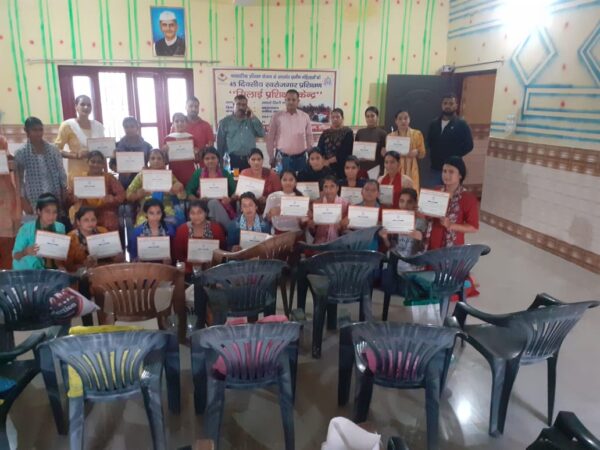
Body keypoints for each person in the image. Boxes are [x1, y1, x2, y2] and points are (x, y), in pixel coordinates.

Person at [14, 117, 68, 221]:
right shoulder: (21, 153)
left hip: (54, 194)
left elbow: (62, 173)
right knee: (38, 225)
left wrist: (63, 194)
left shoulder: (53, 150)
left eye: (40, 130)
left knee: (54, 223)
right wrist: (23, 201)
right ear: (26, 131)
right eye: (34, 130)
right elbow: (19, 180)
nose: (38, 133)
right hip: (34, 197)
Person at [379, 187, 429, 294]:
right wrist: (384, 237)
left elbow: (421, 239)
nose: (405, 205)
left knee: (405, 290)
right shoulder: (395, 218)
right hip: (395, 262)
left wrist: (405, 227)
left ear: (415, 203)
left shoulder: (421, 221)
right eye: (401, 201)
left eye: (409, 202)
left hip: (412, 265)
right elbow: (391, 246)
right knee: (386, 285)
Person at [427, 156, 479, 249]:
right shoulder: (436, 191)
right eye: (444, 171)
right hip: (432, 245)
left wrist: (451, 225)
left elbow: (473, 227)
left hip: (452, 248)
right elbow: (426, 215)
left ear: (460, 175)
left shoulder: (467, 198)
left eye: (451, 172)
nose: (446, 175)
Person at [67, 151, 126, 231]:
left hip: (105, 210)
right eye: (93, 161)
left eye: (99, 162)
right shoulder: (80, 179)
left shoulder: (109, 178)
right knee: (81, 222)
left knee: (109, 221)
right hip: (85, 210)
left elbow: (121, 195)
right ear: (87, 162)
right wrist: (73, 199)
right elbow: (69, 199)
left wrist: (112, 199)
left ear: (103, 164)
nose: (96, 165)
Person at [126, 149, 186, 226]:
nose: (156, 161)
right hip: (146, 211)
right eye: (153, 158)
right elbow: (128, 195)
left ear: (164, 161)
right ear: (149, 160)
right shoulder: (142, 175)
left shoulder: (168, 175)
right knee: (144, 225)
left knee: (169, 225)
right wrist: (137, 194)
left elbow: (183, 196)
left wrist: (178, 189)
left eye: (159, 158)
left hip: (166, 210)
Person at [426, 93, 473, 187]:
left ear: (456, 105)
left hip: (453, 168)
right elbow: (428, 142)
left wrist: (455, 155)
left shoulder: (462, 124)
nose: (447, 106)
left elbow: (469, 145)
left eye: (451, 103)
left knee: (452, 193)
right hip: (436, 168)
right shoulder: (434, 124)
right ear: (442, 105)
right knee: (436, 193)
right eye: (445, 103)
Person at [55, 95, 105, 179]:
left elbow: (104, 150)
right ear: (76, 107)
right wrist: (76, 155)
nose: (86, 107)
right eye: (82, 104)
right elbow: (55, 150)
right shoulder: (67, 125)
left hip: (96, 173)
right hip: (76, 173)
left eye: (89, 105)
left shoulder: (98, 126)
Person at [12, 193, 66, 270]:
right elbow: (15, 256)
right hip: (27, 271)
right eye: (47, 211)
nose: (51, 216)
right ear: (39, 211)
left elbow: (60, 254)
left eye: (55, 212)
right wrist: (26, 252)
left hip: (52, 271)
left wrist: (61, 264)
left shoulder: (60, 227)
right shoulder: (26, 229)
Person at [186, 147, 236, 228]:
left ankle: (218, 230)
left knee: (213, 203)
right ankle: (224, 230)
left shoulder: (225, 173)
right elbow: (188, 191)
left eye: (213, 158)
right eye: (207, 158)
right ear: (203, 160)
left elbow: (236, 192)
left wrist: (230, 199)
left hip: (223, 206)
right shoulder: (198, 173)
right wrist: (198, 200)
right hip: (202, 207)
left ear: (218, 159)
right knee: (212, 203)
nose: (210, 161)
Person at [173, 200, 226, 276]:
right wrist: (192, 263)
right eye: (192, 213)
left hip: (212, 269)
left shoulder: (216, 228)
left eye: (200, 212)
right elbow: (178, 255)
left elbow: (222, 249)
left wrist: (214, 260)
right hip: (189, 271)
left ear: (206, 213)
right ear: (188, 215)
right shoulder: (182, 230)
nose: (196, 216)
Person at [266, 89, 313, 173]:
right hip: (281, 158)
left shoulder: (305, 117)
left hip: (301, 158)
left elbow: (309, 136)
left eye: (293, 100)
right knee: (279, 179)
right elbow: (270, 138)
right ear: (285, 100)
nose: (291, 102)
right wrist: (271, 157)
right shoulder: (276, 116)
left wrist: (311, 155)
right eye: (288, 99)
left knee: (301, 180)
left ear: (298, 101)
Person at [65, 206, 124, 273]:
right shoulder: (71, 238)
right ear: (78, 222)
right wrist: (84, 265)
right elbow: (68, 267)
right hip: (82, 274)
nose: (90, 223)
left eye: (93, 220)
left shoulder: (102, 231)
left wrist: (117, 258)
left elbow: (113, 256)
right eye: (86, 220)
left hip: (104, 270)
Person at [216, 94, 265, 171]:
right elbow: (220, 145)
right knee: (233, 179)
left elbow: (261, 133)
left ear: (247, 107)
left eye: (244, 105)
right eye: (238, 104)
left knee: (248, 179)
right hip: (232, 160)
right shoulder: (224, 122)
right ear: (233, 105)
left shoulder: (251, 121)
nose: (241, 107)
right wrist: (220, 163)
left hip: (249, 160)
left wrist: (253, 117)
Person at [128, 198, 176, 263]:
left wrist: (170, 260)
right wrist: (137, 260)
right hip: (144, 267)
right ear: (146, 214)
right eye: (151, 213)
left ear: (162, 213)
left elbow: (175, 254)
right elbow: (133, 255)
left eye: (158, 213)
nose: (155, 216)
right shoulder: (137, 232)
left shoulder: (169, 230)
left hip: (164, 266)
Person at [388, 110, 426, 191]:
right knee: (395, 191)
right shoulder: (390, 136)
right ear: (396, 121)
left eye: (405, 118)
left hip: (411, 169)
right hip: (395, 169)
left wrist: (417, 152)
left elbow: (422, 154)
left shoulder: (417, 134)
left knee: (411, 192)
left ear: (409, 120)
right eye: (400, 118)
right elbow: (388, 156)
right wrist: (385, 153)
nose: (403, 121)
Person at [307, 175, 348, 245]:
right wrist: (311, 226)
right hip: (319, 241)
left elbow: (346, 232)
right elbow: (313, 232)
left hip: (339, 243)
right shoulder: (317, 203)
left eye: (332, 186)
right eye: (325, 187)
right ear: (322, 188)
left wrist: (342, 226)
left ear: (337, 188)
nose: (328, 190)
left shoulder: (345, 204)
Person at [113, 117, 153, 189]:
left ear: (137, 128)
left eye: (132, 126)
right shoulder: (117, 145)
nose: (129, 129)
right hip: (124, 182)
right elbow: (112, 165)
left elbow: (153, 164)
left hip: (142, 181)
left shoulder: (147, 146)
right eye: (126, 127)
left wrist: (147, 169)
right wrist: (119, 168)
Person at [318, 108, 354, 179]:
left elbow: (345, 152)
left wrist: (328, 161)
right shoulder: (325, 133)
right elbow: (319, 149)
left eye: (337, 117)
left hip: (341, 167)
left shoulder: (348, 132)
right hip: (326, 167)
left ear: (342, 118)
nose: (335, 119)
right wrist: (323, 161)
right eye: (333, 117)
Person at [164, 112, 197, 185]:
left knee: (190, 190)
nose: (180, 123)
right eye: (177, 121)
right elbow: (165, 162)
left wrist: (196, 153)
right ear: (173, 124)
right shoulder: (167, 139)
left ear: (186, 123)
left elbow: (197, 160)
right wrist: (164, 152)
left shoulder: (192, 138)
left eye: (182, 121)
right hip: (174, 173)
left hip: (189, 172)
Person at [355, 106, 387, 175]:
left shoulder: (383, 133)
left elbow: (384, 154)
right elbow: (355, 151)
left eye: (372, 116)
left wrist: (384, 154)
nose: (370, 118)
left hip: (376, 169)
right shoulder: (360, 132)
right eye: (367, 116)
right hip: (361, 168)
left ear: (377, 117)